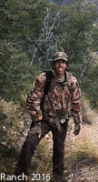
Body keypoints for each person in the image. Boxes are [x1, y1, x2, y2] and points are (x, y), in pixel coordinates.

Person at [16, 52, 81, 182]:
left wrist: (77, 121)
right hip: (43, 120)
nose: (60, 65)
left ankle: (57, 177)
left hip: (61, 121)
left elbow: (76, 102)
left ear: (66, 65)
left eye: (63, 62)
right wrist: (38, 119)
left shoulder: (72, 81)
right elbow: (32, 100)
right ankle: (19, 176)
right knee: (29, 143)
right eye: (57, 62)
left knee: (59, 149)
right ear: (53, 64)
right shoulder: (43, 78)